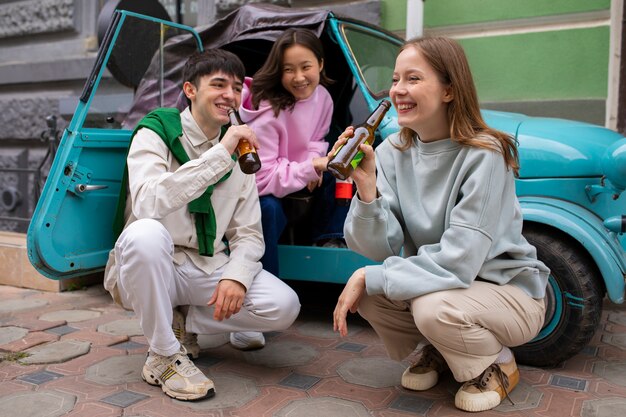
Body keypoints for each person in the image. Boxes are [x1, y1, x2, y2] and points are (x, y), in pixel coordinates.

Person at [332, 37, 550, 413]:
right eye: (396, 79)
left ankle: (497, 363)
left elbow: (460, 260)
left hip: (509, 294)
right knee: (372, 292)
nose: (398, 90)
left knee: (428, 305)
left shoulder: (485, 153)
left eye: (413, 79)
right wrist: (367, 190)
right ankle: (442, 349)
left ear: (449, 89)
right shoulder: (389, 152)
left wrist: (372, 275)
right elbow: (376, 248)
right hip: (447, 287)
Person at [104, 49, 301, 401]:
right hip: (152, 266)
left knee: (283, 305)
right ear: (191, 90)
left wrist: (237, 275)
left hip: (204, 266)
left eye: (236, 87)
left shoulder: (242, 152)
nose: (230, 94)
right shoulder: (155, 133)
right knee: (145, 234)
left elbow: (248, 233)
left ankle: (182, 321)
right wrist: (219, 153)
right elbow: (148, 202)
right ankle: (164, 353)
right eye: (219, 84)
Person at [238, 28, 348, 277]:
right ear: (279, 72)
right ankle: (266, 278)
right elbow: (260, 178)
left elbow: (316, 139)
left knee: (341, 168)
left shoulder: (323, 98)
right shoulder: (268, 113)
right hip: (267, 187)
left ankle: (330, 237)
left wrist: (315, 162)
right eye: (288, 70)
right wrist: (310, 168)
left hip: (296, 175)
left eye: (305, 66)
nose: (298, 77)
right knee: (268, 209)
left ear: (320, 64)